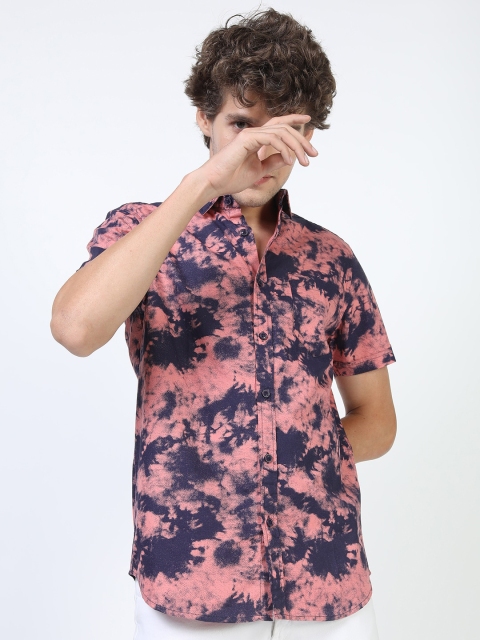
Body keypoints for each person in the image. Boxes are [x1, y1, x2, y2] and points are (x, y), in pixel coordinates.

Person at [51, 8, 396, 640]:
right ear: (204, 119)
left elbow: (377, 421)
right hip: (193, 584)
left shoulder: (331, 259)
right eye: (242, 124)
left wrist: (288, 453)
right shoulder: (139, 231)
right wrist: (205, 182)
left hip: (327, 586)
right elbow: (75, 329)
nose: (260, 151)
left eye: (284, 129)